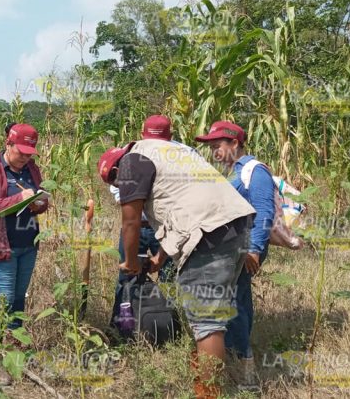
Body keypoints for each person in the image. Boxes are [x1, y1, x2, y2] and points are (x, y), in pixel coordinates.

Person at [97, 136, 255, 399]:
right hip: (232, 225)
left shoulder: (131, 163)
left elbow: (131, 221)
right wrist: (159, 258)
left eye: (116, 183)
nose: (120, 188)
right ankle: (225, 376)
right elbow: (182, 210)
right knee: (215, 313)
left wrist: (131, 262)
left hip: (210, 233)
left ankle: (209, 393)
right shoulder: (166, 151)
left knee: (207, 322)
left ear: (115, 171)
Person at [195, 121, 275, 390]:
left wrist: (255, 249)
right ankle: (231, 359)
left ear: (235, 143)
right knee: (231, 301)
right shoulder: (231, 172)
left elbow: (264, 214)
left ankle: (244, 370)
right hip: (230, 249)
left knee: (237, 304)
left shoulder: (255, 171)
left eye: (218, 146)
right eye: (211, 147)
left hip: (245, 249)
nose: (214, 151)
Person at [0, 123, 49, 384]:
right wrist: (18, 200)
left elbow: (39, 202)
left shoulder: (31, 169)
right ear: (8, 145)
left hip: (28, 245)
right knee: (3, 302)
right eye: (22, 152)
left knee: (18, 300)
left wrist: (40, 203)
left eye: (31, 152)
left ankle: (15, 351)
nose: (26, 157)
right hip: (1, 247)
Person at [112, 115, 175, 283]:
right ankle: (125, 309)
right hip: (139, 228)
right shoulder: (128, 154)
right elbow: (118, 190)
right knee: (128, 277)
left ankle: (165, 310)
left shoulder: (180, 156)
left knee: (169, 277)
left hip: (163, 228)